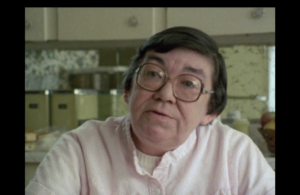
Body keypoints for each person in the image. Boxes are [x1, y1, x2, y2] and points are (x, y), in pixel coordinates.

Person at [25, 26, 275, 194]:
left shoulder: (234, 153)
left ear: (211, 111)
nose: (165, 95)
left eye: (189, 83)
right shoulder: (80, 148)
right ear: (127, 90)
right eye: (154, 74)